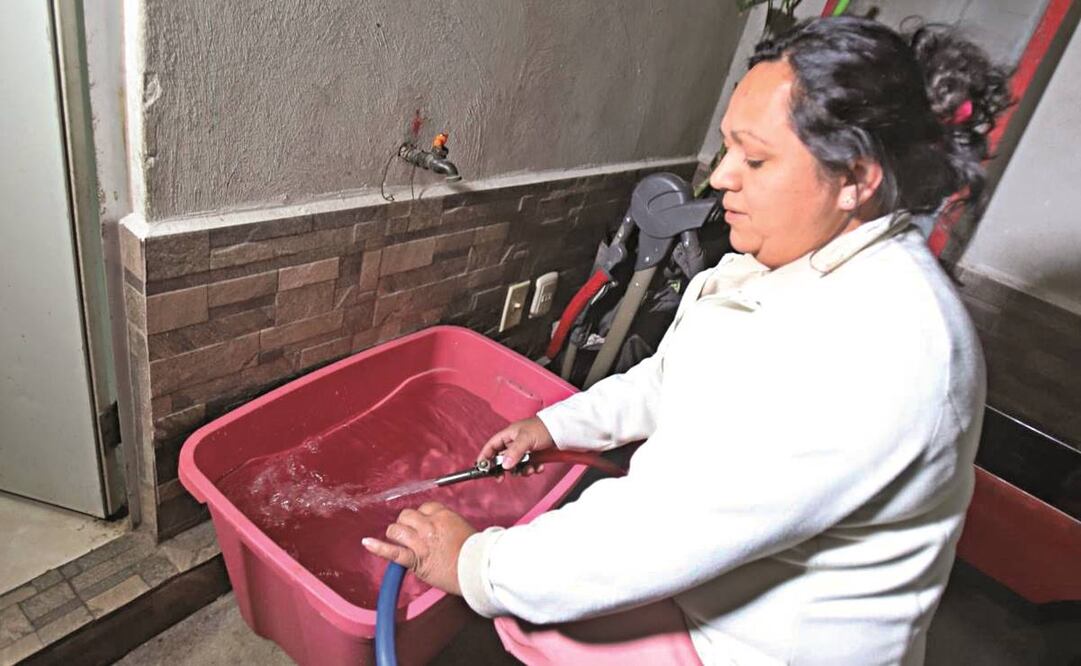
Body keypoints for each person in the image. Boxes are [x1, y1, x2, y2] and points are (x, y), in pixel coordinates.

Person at [364, 16, 1010, 665]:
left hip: (759, 648)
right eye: (727, 148)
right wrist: (559, 426)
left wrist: (475, 562)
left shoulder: (883, 346)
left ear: (856, 178)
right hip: (715, 592)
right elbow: (673, 377)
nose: (721, 175)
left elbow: (662, 526)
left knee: (524, 605)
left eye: (754, 158)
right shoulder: (791, 258)